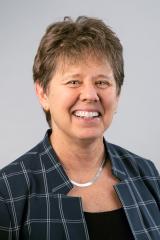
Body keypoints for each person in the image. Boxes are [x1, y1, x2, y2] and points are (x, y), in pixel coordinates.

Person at [0, 16, 160, 240]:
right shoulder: (8, 191)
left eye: (102, 82)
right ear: (43, 93)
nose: (90, 95)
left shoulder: (147, 175)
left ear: (118, 94)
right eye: (74, 81)